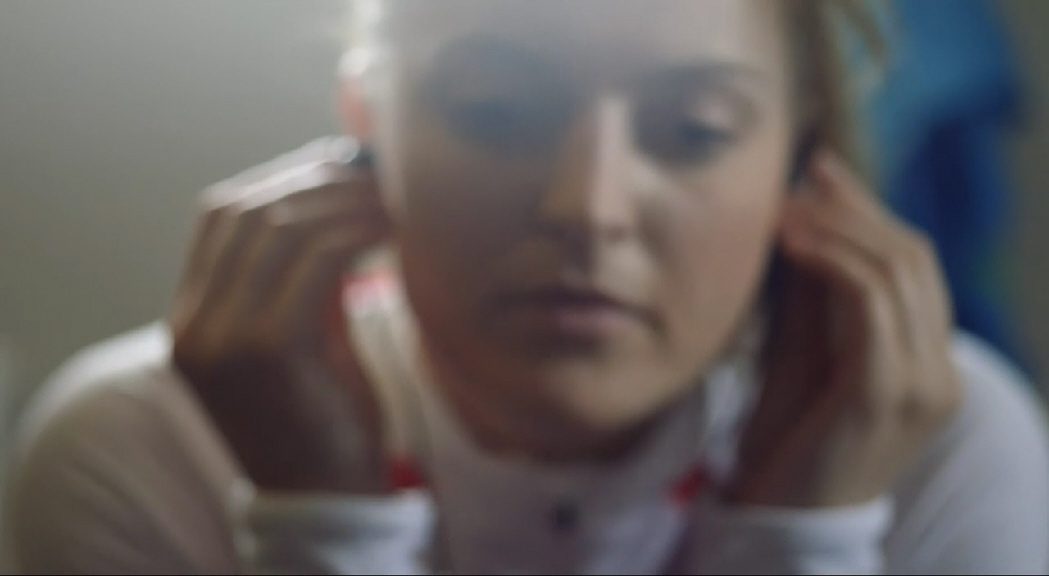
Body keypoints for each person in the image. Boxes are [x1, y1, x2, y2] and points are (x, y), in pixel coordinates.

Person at [4, 1, 1048, 573]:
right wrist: (316, 524)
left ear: (799, 160)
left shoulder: (934, 448)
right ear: (367, 127)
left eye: (694, 132)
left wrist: (803, 535)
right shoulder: (147, 446)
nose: (586, 206)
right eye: (494, 110)